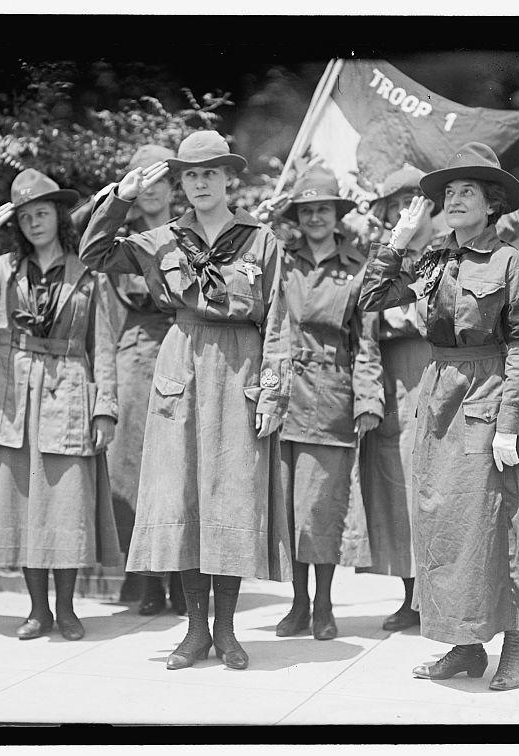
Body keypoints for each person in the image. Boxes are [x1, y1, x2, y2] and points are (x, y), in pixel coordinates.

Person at [80, 130, 293, 671]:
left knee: (232, 499)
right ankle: (194, 632)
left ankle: (226, 632)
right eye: (190, 175)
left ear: (228, 178)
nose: (199, 183)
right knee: (183, 499)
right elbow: (96, 253)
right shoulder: (162, 240)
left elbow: (277, 323)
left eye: (209, 173)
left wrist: (272, 392)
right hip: (181, 368)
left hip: (240, 367)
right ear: (180, 183)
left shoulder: (261, 240)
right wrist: (121, 198)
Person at [354, 110, 519, 633]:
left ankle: (512, 646)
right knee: (443, 521)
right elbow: (373, 298)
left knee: (500, 519)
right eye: (448, 192)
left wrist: (510, 422)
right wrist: (398, 241)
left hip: (488, 400)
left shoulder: (507, 263)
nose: (453, 200)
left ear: (492, 203)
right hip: (440, 400)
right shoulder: (432, 259)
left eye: (466, 191)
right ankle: (463, 641)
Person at [0, 168, 120, 642]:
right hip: (13, 396)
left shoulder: (87, 273)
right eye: (25, 216)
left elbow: (104, 345)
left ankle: (66, 609)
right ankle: (38, 611)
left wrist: (105, 407)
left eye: (42, 213)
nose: (35, 222)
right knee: (22, 504)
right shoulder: (1, 271)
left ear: (59, 216)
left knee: (66, 504)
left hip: (70, 389)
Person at [270, 167, 385, 641]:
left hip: (331, 397)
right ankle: (296, 605)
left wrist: (367, 399)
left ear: (337, 215)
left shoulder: (357, 268)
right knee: (288, 507)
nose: (315, 216)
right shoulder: (279, 261)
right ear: (297, 216)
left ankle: (322, 606)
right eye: (307, 209)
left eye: (324, 208)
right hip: (282, 395)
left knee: (321, 507)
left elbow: (366, 343)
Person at [83, 145, 188, 617]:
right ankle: (146, 579)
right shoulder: (119, 248)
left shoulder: (190, 239)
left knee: (182, 474)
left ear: (174, 187)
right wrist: (106, 399)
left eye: (160, 181)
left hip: (184, 360)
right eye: (141, 181)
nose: (151, 191)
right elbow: (103, 331)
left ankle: (183, 578)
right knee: (133, 478)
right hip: (133, 368)